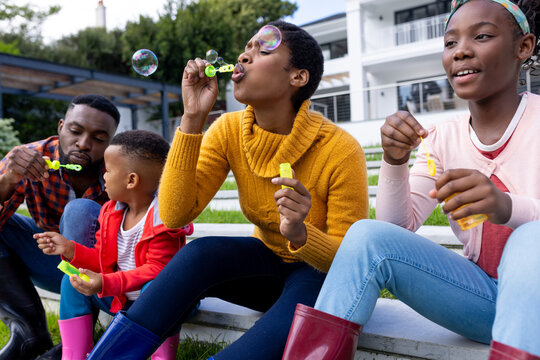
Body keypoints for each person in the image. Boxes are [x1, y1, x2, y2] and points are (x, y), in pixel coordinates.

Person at [85, 20, 369, 360]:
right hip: (264, 269)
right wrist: (192, 118)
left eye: (261, 50)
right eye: (245, 49)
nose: (244, 56)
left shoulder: (340, 149)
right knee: (197, 254)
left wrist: (300, 232)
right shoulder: (229, 130)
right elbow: (175, 215)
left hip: (321, 277)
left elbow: (349, 261)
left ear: (298, 77)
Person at [281, 0, 540, 359]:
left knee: (532, 238)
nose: (461, 51)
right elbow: (395, 228)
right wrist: (394, 159)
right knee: (367, 235)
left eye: (481, 36)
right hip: (483, 301)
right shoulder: (440, 138)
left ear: (523, 47)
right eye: (450, 43)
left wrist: (506, 206)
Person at [35, 130, 194, 360]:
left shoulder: (165, 219)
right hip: (122, 296)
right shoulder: (111, 212)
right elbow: (101, 257)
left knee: (156, 288)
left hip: (167, 302)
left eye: (108, 171)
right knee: (69, 283)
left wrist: (106, 282)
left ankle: (162, 357)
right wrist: (70, 249)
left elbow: (158, 270)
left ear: (131, 180)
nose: (104, 177)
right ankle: (73, 356)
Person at [0, 94, 120, 360]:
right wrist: (8, 180)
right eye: (75, 131)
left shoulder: (121, 168)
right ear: (60, 127)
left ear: (110, 143)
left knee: (79, 210)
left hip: (106, 276)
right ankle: (29, 333)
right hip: (54, 266)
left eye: (99, 139)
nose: (84, 144)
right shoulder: (29, 159)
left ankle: (77, 339)